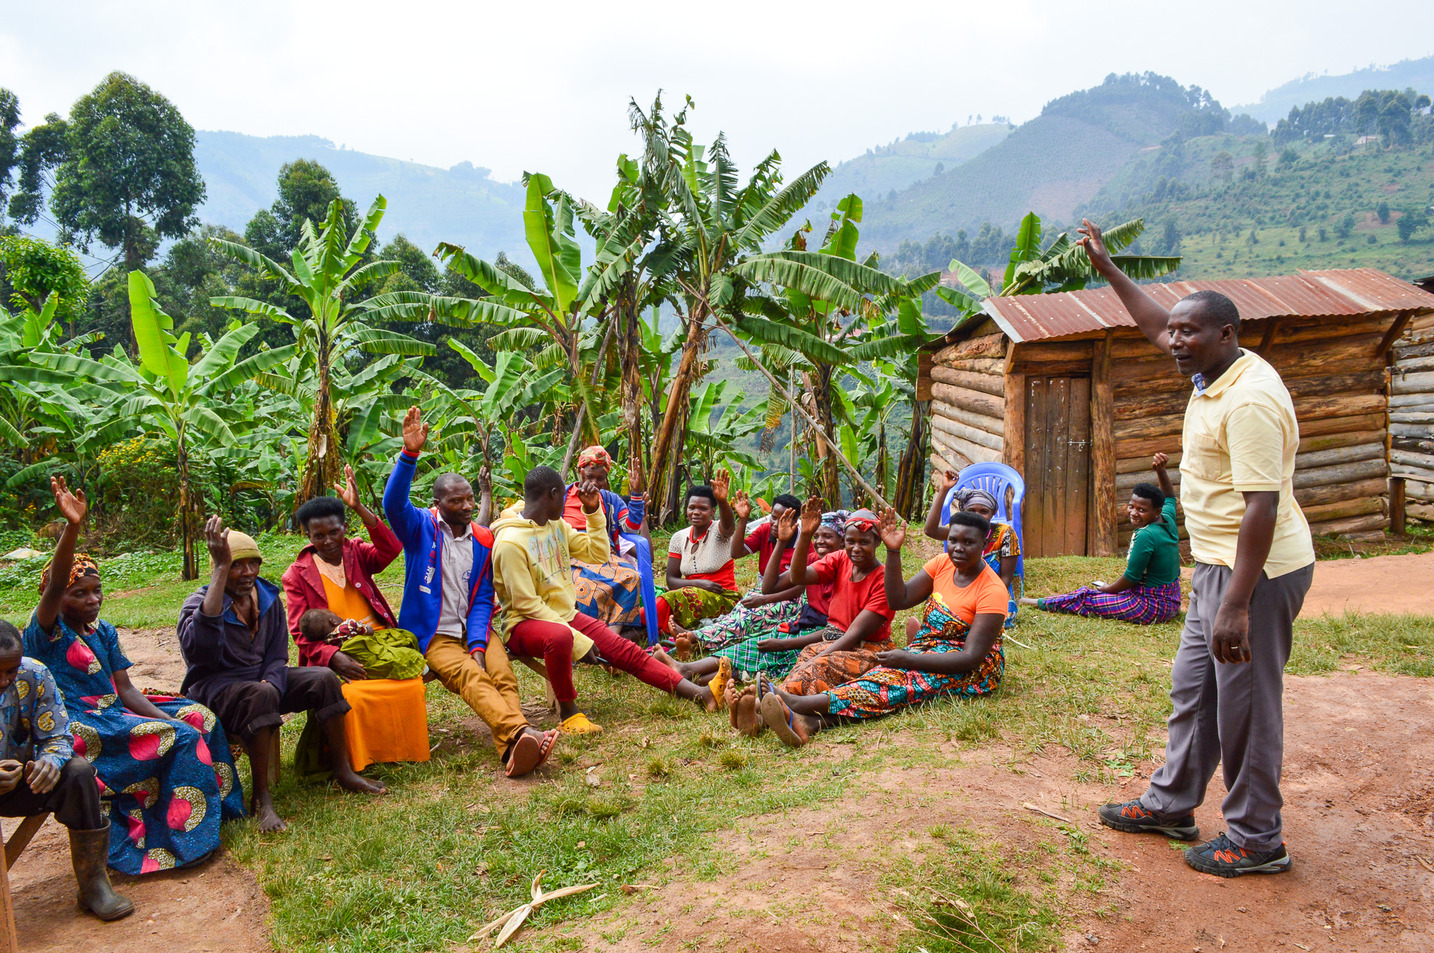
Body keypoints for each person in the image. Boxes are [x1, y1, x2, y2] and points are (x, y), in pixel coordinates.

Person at [1080, 219, 1315, 878]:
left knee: (1244, 706)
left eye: (1189, 332)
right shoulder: (1208, 364)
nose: (1174, 340)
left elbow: (1262, 507)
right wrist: (1107, 268)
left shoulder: (1250, 400)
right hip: (1216, 566)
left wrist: (1237, 603)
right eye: (1174, 332)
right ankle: (1173, 802)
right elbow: (1155, 321)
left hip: (1257, 574)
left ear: (1226, 335)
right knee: (1195, 690)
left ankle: (1256, 838)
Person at [25, 476, 245, 875]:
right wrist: (73, 527)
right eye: (80, 593)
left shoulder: (103, 631)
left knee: (200, 719)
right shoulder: (46, 632)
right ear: (58, 598)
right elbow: (57, 582)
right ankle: (184, 842)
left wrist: (165, 717)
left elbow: (124, 689)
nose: (92, 599)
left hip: (115, 709)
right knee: (179, 738)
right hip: (80, 725)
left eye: (97, 590)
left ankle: (222, 817)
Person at [382, 406, 558, 778]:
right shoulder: (419, 530)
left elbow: (482, 598)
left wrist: (478, 645)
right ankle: (521, 733)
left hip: (473, 630)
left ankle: (514, 746)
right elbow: (393, 504)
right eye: (456, 502)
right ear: (438, 504)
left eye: (469, 499)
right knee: (471, 676)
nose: (466, 507)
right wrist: (409, 454)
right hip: (434, 637)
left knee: (502, 673)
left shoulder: (483, 539)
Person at [178, 517, 385, 833]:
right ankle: (262, 799)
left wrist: (273, 682)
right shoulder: (199, 605)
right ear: (218, 568)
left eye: (253, 564)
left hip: (263, 682)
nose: (248, 573)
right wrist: (220, 574)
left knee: (322, 678)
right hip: (217, 689)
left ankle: (343, 772)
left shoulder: (268, 599)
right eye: (236, 566)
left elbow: (277, 656)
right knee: (262, 694)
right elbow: (200, 655)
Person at [491, 466, 722, 734]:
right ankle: (569, 714)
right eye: (565, 497)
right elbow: (526, 606)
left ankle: (699, 693)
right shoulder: (510, 543)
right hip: (524, 623)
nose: (570, 502)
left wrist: (593, 513)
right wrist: (578, 640)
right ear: (553, 495)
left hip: (565, 616)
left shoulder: (555, 526)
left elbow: (597, 553)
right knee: (560, 637)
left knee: (624, 650)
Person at [755, 510, 1008, 745]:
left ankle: (798, 703)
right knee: (882, 681)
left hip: (970, 669)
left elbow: (971, 658)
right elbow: (900, 599)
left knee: (892, 685)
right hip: (928, 649)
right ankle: (808, 722)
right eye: (953, 540)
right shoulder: (942, 563)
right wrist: (894, 551)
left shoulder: (992, 590)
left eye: (968, 542)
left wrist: (907, 658)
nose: (958, 548)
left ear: (984, 545)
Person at [282, 467, 429, 773]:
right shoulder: (297, 574)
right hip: (337, 650)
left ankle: (402, 749)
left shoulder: (356, 552)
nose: (328, 540)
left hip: (377, 637)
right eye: (318, 535)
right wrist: (334, 658)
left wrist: (360, 507)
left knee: (410, 683)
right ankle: (362, 757)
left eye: (334, 531)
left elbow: (391, 549)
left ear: (344, 527)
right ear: (308, 536)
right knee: (351, 693)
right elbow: (299, 632)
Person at [1, 620, 134, 920]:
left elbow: (58, 736)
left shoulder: (34, 674)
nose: (3, 680)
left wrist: (49, 762)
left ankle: (93, 885)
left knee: (78, 772)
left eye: (10, 671)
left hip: (20, 784)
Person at [667, 509, 844, 691]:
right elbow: (769, 586)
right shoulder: (814, 559)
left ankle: (692, 677)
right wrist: (781, 542)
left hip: (818, 632)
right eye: (816, 535)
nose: (820, 541)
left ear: (842, 541)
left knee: (767, 651)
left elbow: (836, 629)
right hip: (803, 622)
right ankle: (687, 669)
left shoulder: (846, 570)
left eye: (827, 536)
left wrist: (783, 641)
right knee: (752, 643)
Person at [1023, 453, 1183, 624]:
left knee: (1085, 597)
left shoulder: (1146, 535)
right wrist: (1161, 471)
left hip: (1151, 607)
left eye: (1141, 510)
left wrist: (1108, 589)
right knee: (1102, 592)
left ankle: (1037, 602)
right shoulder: (1167, 519)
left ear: (1156, 511)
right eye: (1131, 506)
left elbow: (1132, 577)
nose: (1134, 513)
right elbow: (1169, 497)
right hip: (1171, 600)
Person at [778, 500, 894, 696]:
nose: (856, 548)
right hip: (836, 642)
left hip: (869, 650)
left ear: (878, 542)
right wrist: (805, 535)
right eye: (851, 541)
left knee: (819, 664)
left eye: (864, 542)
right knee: (808, 654)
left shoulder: (884, 580)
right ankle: (778, 701)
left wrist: (816, 660)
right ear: (844, 541)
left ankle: (775, 703)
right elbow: (798, 577)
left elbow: (852, 636)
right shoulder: (840, 559)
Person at [676, 491, 806, 657]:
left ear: (795, 521)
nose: (776, 523)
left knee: (751, 619)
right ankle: (696, 641)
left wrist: (765, 599)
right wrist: (743, 519)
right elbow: (736, 552)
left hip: (791, 598)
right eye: (773, 517)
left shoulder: (804, 543)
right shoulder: (766, 530)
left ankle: (694, 637)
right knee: (737, 614)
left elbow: (801, 588)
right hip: (763, 589)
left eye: (783, 519)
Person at [561, 445, 648, 632]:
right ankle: (587, 634)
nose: (594, 482)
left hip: (602, 553)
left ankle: (612, 636)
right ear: (580, 472)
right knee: (584, 584)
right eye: (589, 476)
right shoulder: (563, 496)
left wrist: (636, 493)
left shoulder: (610, 499)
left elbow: (630, 527)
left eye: (600, 479)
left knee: (630, 576)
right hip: (570, 553)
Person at [921, 471, 1021, 627]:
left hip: (992, 589)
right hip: (961, 587)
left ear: (993, 513)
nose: (978, 515)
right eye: (971, 511)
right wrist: (944, 490)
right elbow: (930, 531)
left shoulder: (1004, 533)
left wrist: (991, 601)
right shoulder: (959, 530)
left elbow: (1006, 578)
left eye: (984, 511)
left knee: (1002, 619)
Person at [650, 473, 742, 638]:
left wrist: (722, 500)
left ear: (713, 512)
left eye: (703, 509)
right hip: (691, 593)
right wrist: (700, 584)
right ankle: (639, 628)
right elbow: (671, 580)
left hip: (722, 597)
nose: (696, 512)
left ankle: (635, 626)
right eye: (692, 507)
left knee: (673, 599)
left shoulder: (719, 533)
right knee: (661, 595)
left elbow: (729, 526)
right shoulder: (678, 537)